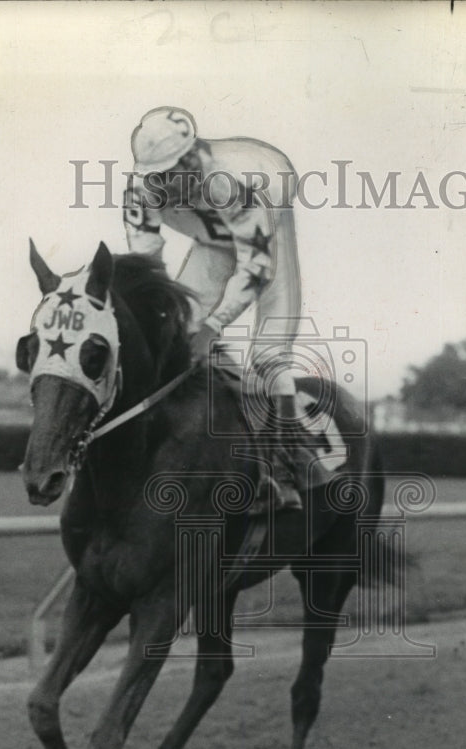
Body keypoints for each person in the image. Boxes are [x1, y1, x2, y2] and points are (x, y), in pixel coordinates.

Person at [123, 106, 303, 510]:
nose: (162, 187)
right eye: (155, 178)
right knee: (176, 335)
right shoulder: (140, 190)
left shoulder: (231, 182)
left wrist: (214, 326)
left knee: (269, 358)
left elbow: (255, 267)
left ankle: (287, 469)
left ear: (192, 157)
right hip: (211, 243)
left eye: (170, 174)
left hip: (265, 237)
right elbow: (148, 264)